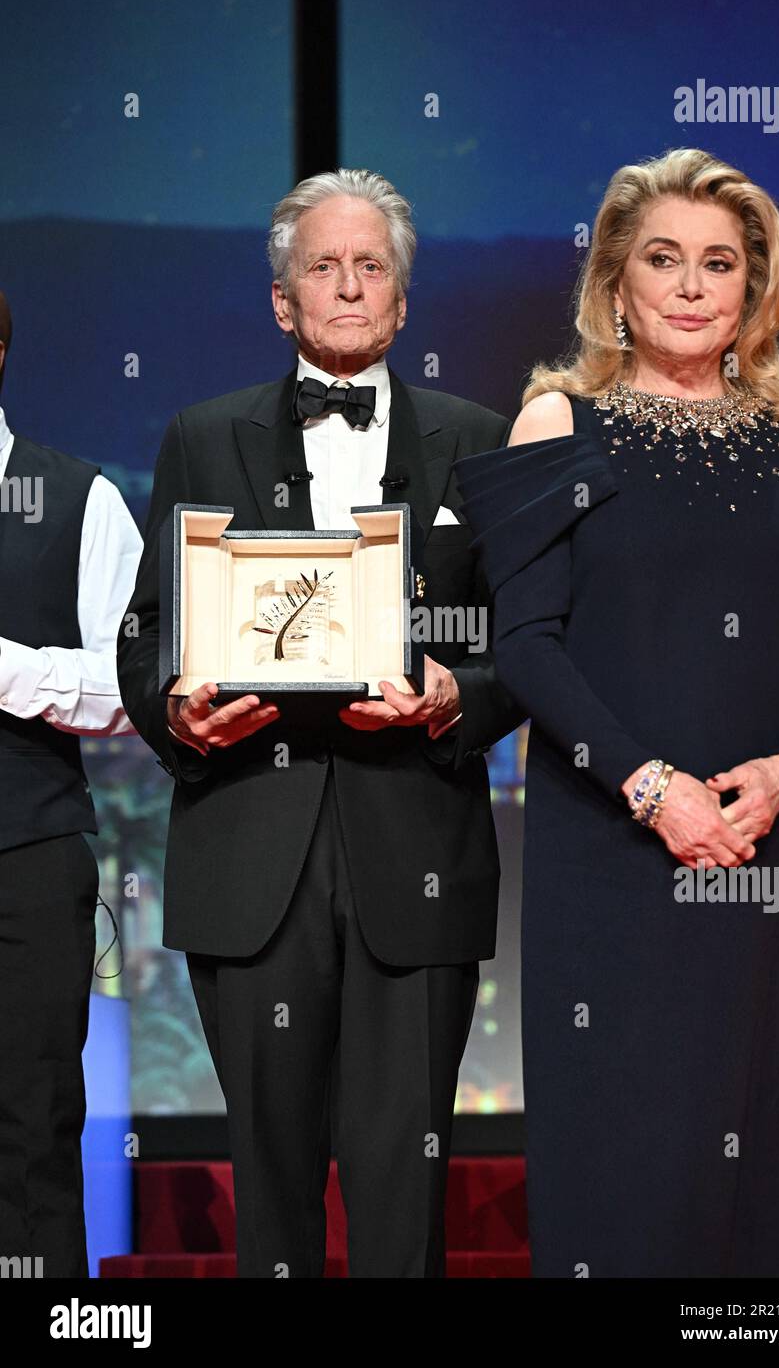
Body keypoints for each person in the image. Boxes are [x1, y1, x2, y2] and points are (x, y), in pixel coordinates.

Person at [453, 148, 779, 1277]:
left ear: (754, 289)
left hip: (748, 848)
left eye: (718, 263)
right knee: (623, 1165)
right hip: (608, 850)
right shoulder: (556, 426)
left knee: (747, 1154)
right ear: (613, 285)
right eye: (662, 259)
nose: (690, 285)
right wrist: (650, 788)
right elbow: (524, 647)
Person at [116, 169, 522, 1278]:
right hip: (250, 848)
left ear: (402, 299)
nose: (347, 287)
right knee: (273, 1187)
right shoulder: (202, 436)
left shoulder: (479, 438)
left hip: (417, 854)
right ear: (281, 302)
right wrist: (175, 707)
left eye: (370, 266)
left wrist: (458, 695)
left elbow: (525, 647)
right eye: (321, 268)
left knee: (406, 1197)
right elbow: (147, 631)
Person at [0, 289, 143, 1276]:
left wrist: (6, 668)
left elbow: (132, 687)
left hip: (27, 862)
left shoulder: (78, 497)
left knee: (32, 1125)